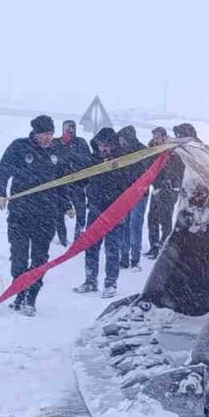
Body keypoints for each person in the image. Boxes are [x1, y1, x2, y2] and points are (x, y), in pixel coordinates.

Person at [0, 115, 67, 316]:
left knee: (39, 258)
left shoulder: (57, 151)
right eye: (45, 133)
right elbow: (3, 170)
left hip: (46, 214)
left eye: (52, 133)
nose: (49, 137)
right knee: (18, 257)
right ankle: (19, 292)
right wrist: (0, 194)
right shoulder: (19, 147)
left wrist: (66, 204)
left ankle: (31, 297)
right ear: (35, 133)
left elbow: (63, 180)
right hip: (20, 212)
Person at [76, 126, 127, 298]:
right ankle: (90, 280)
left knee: (112, 249)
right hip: (95, 210)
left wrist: (124, 210)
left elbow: (129, 186)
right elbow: (80, 180)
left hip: (114, 212)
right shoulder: (92, 160)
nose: (103, 148)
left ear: (113, 145)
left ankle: (111, 283)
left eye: (107, 145)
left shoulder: (123, 162)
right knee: (91, 247)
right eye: (100, 145)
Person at [54, 120, 95, 246]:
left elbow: (88, 161)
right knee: (59, 214)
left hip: (78, 184)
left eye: (72, 128)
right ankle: (63, 240)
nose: (70, 131)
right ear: (62, 129)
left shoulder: (81, 142)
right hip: (60, 185)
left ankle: (79, 239)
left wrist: (75, 164)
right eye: (67, 129)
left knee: (81, 213)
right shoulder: (56, 143)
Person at [146, 126, 184, 259]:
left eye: (158, 138)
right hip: (156, 188)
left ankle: (164, 247)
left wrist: (167, 182)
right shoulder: (152, 150)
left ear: (164, 137)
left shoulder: (172, 151)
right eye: (154, 138)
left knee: (165, 219)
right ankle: (154, 246)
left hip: (168, 189)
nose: (155, 140)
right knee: (152, 218)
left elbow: (176, 169)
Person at [116, 125, 148, 269]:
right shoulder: (121, 151)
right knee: (124, 225)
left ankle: (135, 259)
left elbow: (147, 172)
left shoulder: (143, 151)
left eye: (122, 139)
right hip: (125, 193)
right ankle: (124, 257)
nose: (121, 142)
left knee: (135, 225)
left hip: (140, 193)